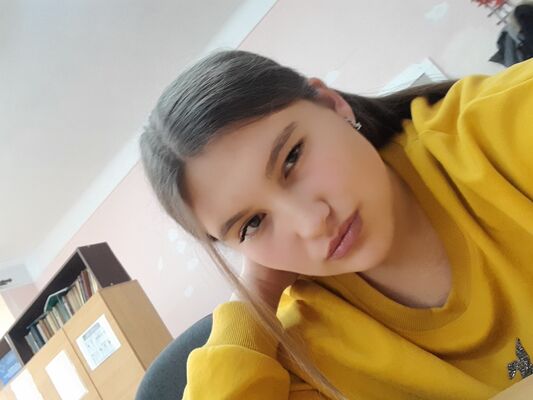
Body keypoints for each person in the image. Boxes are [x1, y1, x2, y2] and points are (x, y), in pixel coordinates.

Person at [139, 50, 533, 399]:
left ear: (332, 105)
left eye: (292, 158)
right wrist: (255, 293)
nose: (312, 222)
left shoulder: (495, 127)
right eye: (252, 223)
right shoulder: (304, 351)